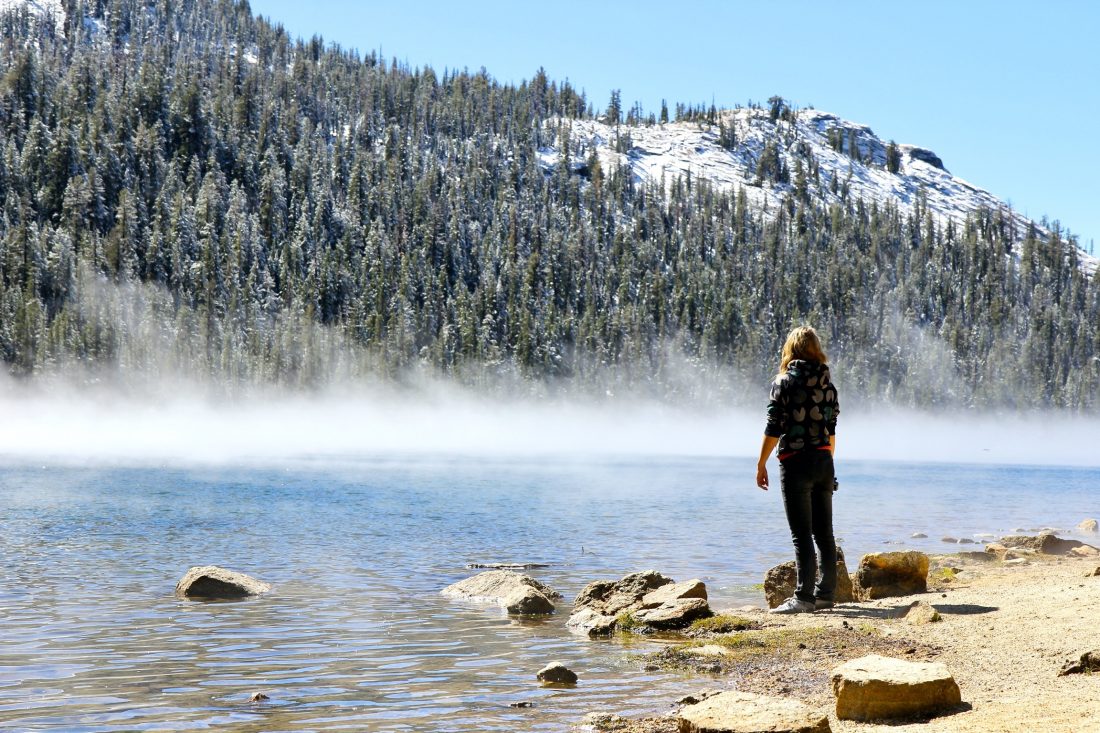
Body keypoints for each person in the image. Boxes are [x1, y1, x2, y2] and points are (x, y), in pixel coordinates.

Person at [756, 326, 840, 614]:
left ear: (790, 350)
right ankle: (825, 595)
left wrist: (761, 463)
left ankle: (803, 598)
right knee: (824, 533)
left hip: (795, 462)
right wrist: (828, 465)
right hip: (823, 461)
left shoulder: (784, 383)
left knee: (801, 534)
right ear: (816, 350)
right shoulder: (828, 386)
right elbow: (831, 432)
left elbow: (774, 427)